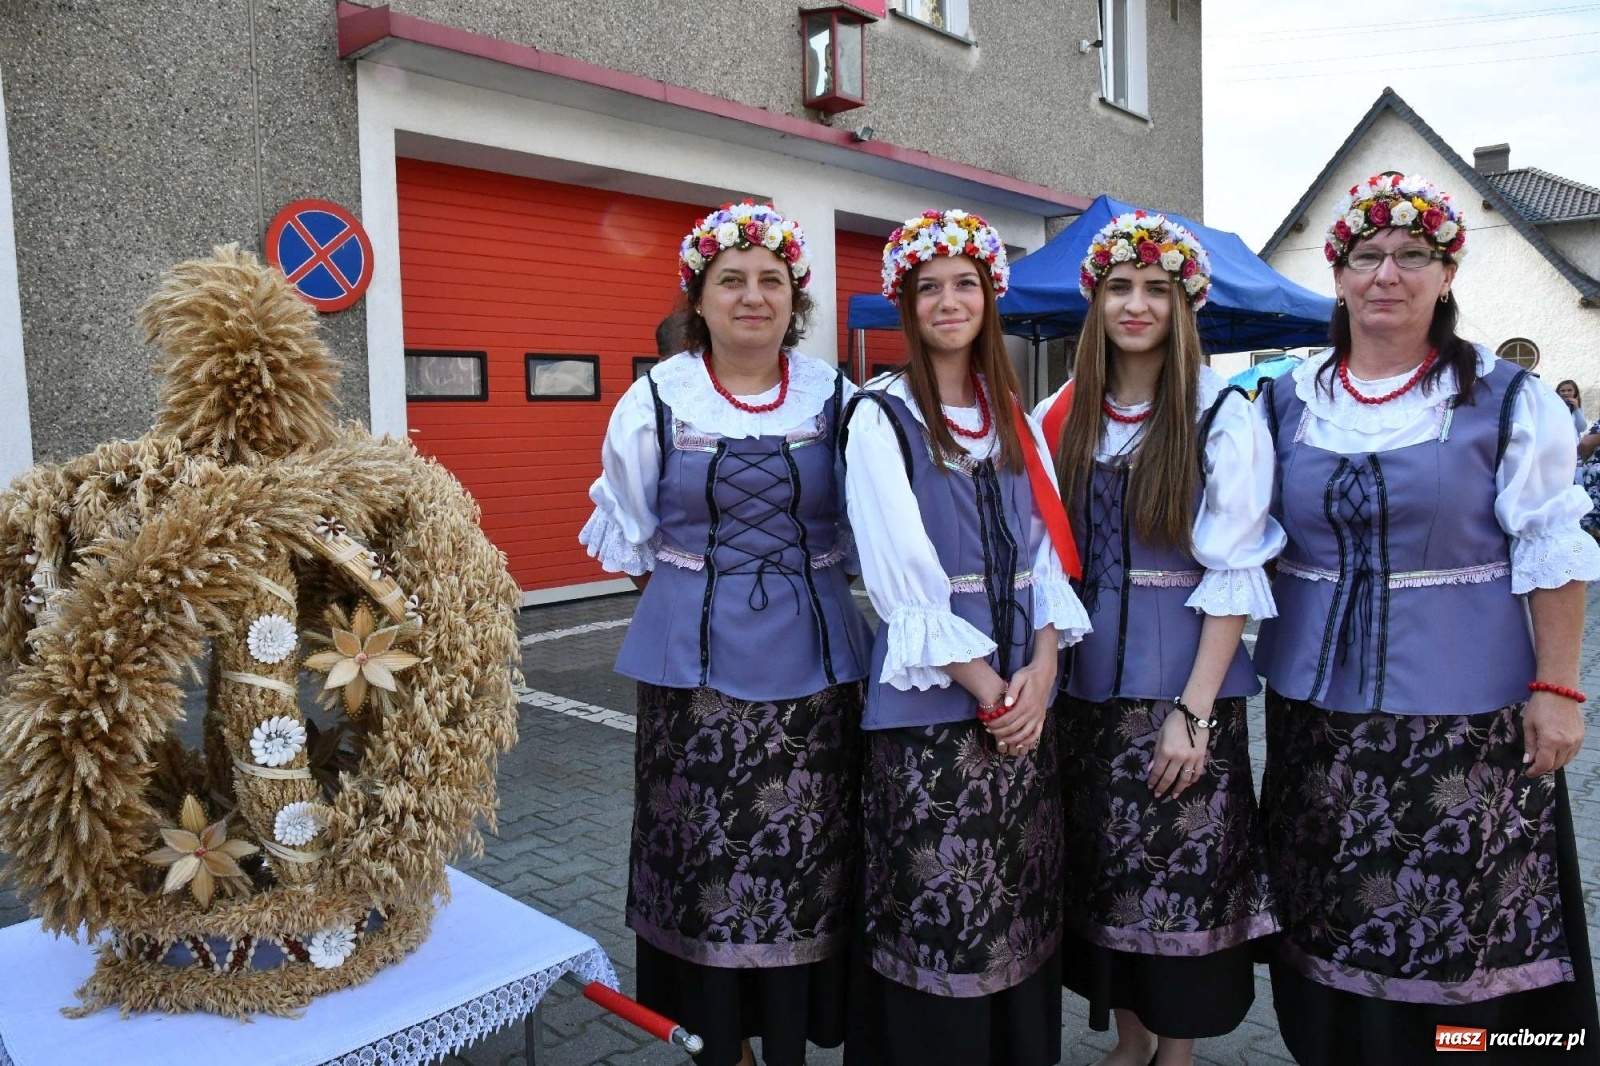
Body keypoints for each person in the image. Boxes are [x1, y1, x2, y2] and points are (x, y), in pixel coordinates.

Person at [1254, 173, 1600, 1065]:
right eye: (1366, 257)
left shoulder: (1507, 398)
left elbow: (1553, 551)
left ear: (1447, 274)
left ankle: (1463, 1056)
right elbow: (1229, 543)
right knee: (1332, 904)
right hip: (1316, 718)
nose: (1386, 274)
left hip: (1465, 722)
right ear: (1336, 276)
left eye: (1413, 256)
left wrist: (1559, 688)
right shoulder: (1283, 402)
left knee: (1460, 922)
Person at [578, 201, 873, 1066]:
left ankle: (789, 1040)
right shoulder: (655, 398)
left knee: (807, 857)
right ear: (698, 300)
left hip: (819, 671)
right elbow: (633, 532)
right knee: (705, 860)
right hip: (691, 677)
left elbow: (873, 523)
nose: (752, 297)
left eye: (770, 282)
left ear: (795, 300)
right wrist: (701, 593)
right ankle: (723, 1047)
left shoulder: (837, 397)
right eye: (731, 281)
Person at [841, 209, 1091, 1066]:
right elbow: (896, 573)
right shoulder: (882, 415)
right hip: (934, 711)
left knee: (1018, 896)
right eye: (929, 287)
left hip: (1024, 697)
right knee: (939, 901)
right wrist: (989, 688)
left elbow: (1049, 554)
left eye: (965, 283)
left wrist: (1047, 667)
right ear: (905, 305)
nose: (949, 301)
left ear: (990, 295)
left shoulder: (1011, 416)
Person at [1034, 212, 1283, 1066]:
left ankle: (1171, 1053)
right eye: (1119, 287)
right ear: (1095, 301)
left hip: (1182, 686)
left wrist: (1197, 710)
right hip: (1082, 685)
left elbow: (1236, 575)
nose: (1135, 304)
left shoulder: (1220, 412)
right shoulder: (1061, 413)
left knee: (1182, 875)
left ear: (1185, 305)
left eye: (1155, 289)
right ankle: (1131, 1042)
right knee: (1107, 873)